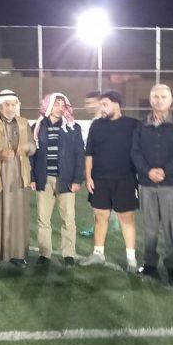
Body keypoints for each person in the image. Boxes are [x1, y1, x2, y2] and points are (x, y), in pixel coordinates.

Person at [131, 84, 173, 284]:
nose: (159, 100)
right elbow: (135, 152)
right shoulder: (142, 124)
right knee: (150, 227)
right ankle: (149, 264)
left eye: (163, 97)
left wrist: (165, 171)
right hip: (147, 184)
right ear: (150, 99)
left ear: (170, 100)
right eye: (155, 97)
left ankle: (172, 266)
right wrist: (148, 171)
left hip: (172, 185)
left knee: (172, 228)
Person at [79, 90, 140, 272]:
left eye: (105, 104)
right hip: (100, 180)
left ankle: (131, 260)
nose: (102, 108)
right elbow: (89, 153)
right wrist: (88, 176)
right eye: (101, 105)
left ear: (117, 104)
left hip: (125, 179)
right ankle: (98, 254)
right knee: (100, 217)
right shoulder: (97, 125)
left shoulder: (133, 125)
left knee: (126, 218)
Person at [0, 89, 36, 267]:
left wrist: (27, 148)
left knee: (19, 217)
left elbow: (33, 147)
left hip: (19, 177)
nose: (11, 108)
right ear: (0, 106)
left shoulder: (24, 123)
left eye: (14, 104)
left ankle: (17, 255)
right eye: (7, 104)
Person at [30, 92, 85, 266]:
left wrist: (77, 179)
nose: (60, 107)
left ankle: (69, 254)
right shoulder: (37, 127)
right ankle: (44, 254)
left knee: (68, 219)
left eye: (63, 104)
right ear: (48, 105)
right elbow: (32, 155)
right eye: (57, 103)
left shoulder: (73, 127)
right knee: (43, 219)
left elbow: (79, 154)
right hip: (44, 179)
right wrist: (32, 177)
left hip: (66, 179)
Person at [79, 90, 103, 238]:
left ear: (99, 102)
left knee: (98, 199)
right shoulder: (95, 121)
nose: (87, 106)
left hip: (99, 168)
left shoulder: (101, 122)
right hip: (95, 167)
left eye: (90, 103)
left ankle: (98, 227)